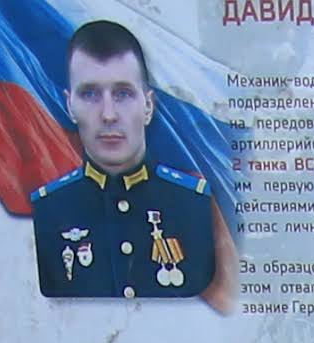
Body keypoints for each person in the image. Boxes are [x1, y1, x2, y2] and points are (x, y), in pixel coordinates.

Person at [31, 21, 235, 311]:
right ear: (70, 106)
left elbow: (229, 312)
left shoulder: (194, 204)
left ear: (148, 106)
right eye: (90, 94)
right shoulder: (47, 211)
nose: (108, 114)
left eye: (123, 93)